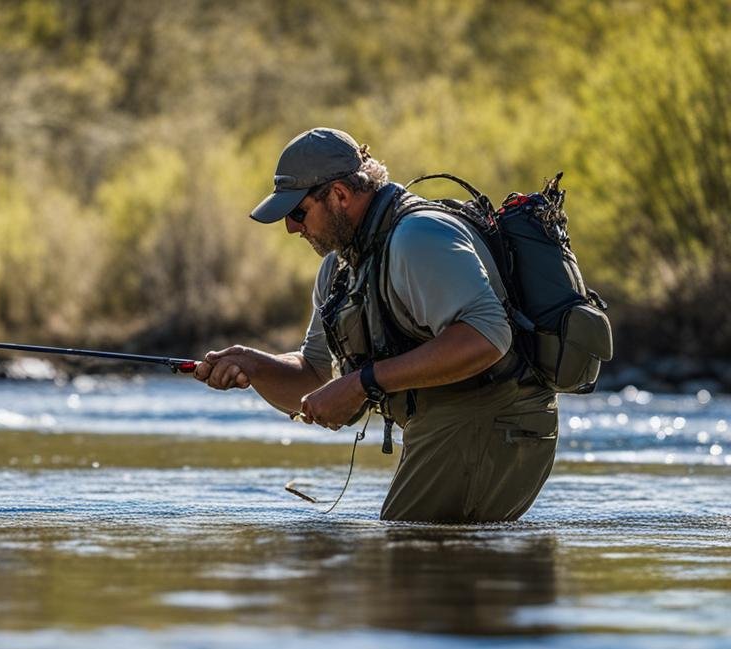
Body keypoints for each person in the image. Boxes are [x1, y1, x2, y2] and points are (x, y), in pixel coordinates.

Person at [194, 127, 557, 523]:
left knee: (402, 559)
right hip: (450, 426)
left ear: (340, 195)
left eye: (298, 212)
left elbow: (487, 336)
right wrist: (255, 365)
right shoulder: (339, 266)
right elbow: (317, 377)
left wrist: (362, 382)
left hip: (495, 419)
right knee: (408, 564)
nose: (291, 228)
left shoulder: (418, 237)